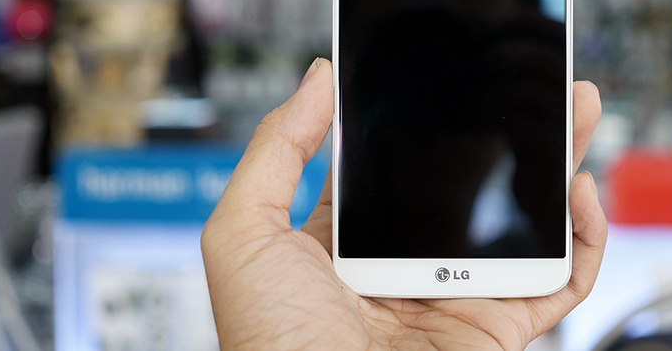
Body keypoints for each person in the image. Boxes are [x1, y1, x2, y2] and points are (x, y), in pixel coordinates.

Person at [201, 57, 607, 350]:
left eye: (471, 77)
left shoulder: (523, 253)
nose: (440, 110)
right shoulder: (336, 271)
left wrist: (539, 201)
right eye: (413, 69)